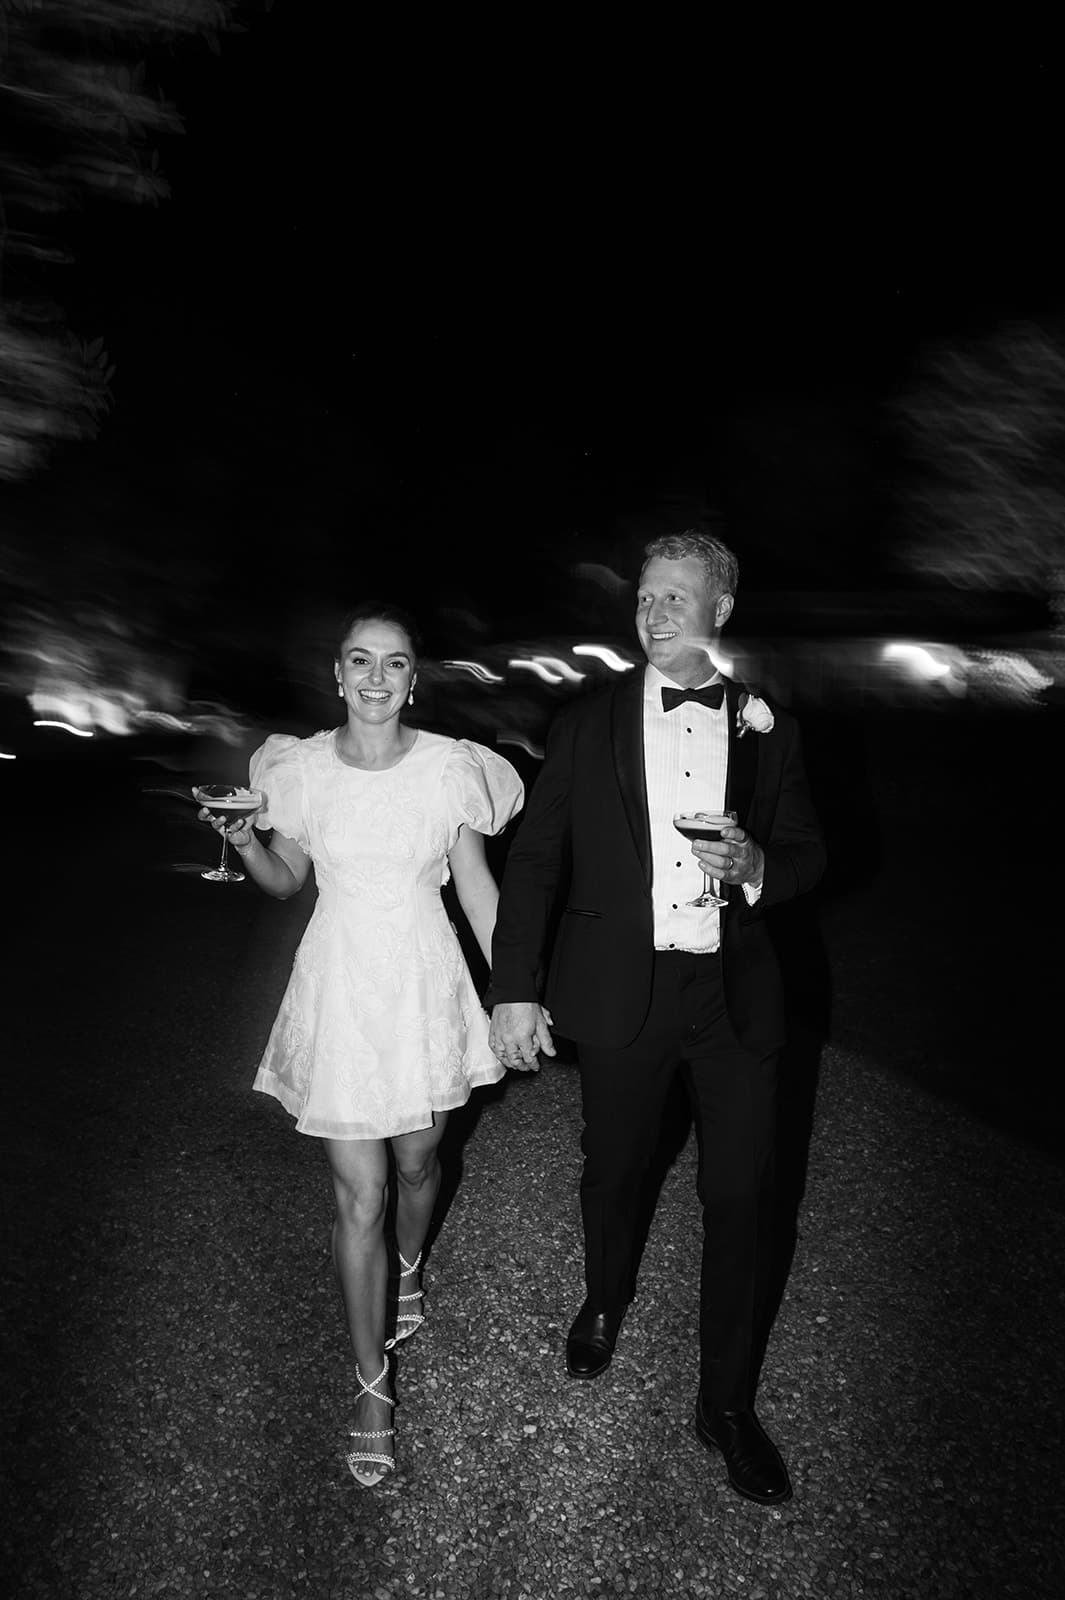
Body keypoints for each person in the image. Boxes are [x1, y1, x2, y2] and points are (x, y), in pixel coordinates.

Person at [486, 528, 825, 1506]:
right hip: (620, 994)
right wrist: (515, 986)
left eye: (679, 594)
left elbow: (811, 856)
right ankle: (604, 1294)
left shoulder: (774, 729)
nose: (657, 608)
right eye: (648, 593)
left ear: (720, 609)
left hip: (735, 997)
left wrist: (759, 866)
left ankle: (724, 1402)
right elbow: (539, 860)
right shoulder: (586, 722)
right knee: (615, 1170)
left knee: (745, 1196)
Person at [199, 602, 523, 1488]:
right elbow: (284, 881)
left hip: (422, 982)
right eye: (359, 661)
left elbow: (479, 892)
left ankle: (410, 1269)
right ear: (336, 675)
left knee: (418, 1164)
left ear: (412, 679)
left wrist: (519, 993)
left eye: (393, 663)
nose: (376, 677)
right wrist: (246, 842)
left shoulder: (451, 772)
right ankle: (372, 1386)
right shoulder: (298, 772)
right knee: (359, 1195)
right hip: (339, 982)